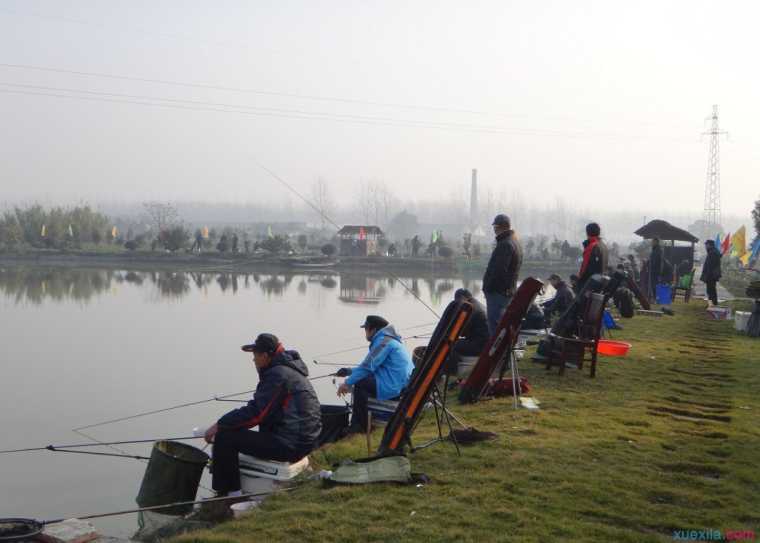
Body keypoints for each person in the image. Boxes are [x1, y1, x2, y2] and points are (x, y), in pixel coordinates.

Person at [203, 333, 322, 497]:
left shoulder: (277, 374)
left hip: (291, 444)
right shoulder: (290, 371)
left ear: (265, 356)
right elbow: (262, 408)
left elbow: (257, 414)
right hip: (305, 442)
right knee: (235, 430)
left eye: (255, 355)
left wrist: (220, 425)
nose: (253, 360)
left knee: (225, 437)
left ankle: (230, 495)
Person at [337, 316, 414, 433]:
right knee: (361, 379)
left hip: (393, 386)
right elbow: (370, 367)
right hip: (396, 382)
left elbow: (367, 367)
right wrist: (349, 371)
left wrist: (347, 383)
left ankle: (360, 427)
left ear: (373, 330)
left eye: (366, 329)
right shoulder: (388, 340)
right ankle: (359, 423)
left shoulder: (383, 342)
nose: (365, 332)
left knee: (360, 383)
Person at [482, 214, 523, 335]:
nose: (494, 229)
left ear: (500, 227)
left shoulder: (505, 244)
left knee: (495, 326)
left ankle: (495, 353)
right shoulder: (515, 242)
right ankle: (502, 352)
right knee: (502, 325)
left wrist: (488, 288)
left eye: (495, 226)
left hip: (498, 292)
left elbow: (499, 271)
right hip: (507, 291)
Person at [446, 289, 489, 375]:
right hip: (484, 342)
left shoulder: (470, 309)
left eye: (457, 301)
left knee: (449, 345)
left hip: (479, 345)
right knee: (455, 342)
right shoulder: (478, 305)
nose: (458, 304)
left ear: (462, 298)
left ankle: (452, 371)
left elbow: (460, 332)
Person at [577, 222, 608, 290]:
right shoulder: (603, 245)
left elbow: (584, 268)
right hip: (601, 281)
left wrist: (578, 281)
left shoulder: (591, 246)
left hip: (590, 284)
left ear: (587, 233)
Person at [700, 240, 722, 305]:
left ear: (709, 245)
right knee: (711, 290)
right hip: (712, 274)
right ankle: (712, 303)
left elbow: (711, 266)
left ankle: (712, 304)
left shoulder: (713, 253)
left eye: (706, 245)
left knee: (711, 290)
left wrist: (707, 276)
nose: (705, 246)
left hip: (711, 275)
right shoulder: (713, 251)